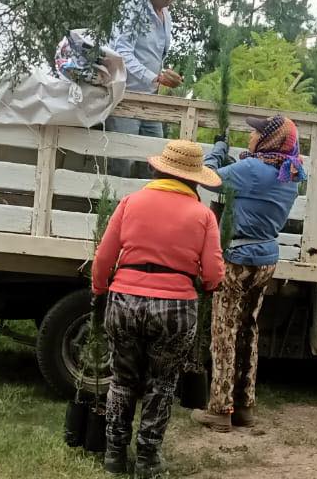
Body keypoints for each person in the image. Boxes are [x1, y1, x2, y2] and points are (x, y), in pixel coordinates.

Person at [92, 140, 225, 477]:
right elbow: (212, 274)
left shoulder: (130, 203)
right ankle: (148, 458)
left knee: (122, 380)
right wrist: (207, 286)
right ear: (195, 179)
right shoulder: (204, 216)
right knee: (162, 383)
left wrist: (99, 291)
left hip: (124, 301)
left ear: (157, 170)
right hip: (176, 309)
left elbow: (104, 257)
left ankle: (114, 455)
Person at [190, 116, 307, 432]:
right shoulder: (290, 173)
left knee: (223, 332)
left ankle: (220, 410)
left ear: (269, 140)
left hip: (238, 258)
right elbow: (250, 186)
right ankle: (245, 408)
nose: (252, 136)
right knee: (248, 330)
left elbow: (209, 177)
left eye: (256, 132)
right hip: (267, 258)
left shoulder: (253, 170)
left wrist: (218, 148)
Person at [105, 0, 184, 178]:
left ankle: (144, 211)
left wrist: (164, 76)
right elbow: (121, 53)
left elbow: (151, 55)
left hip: (150, 100)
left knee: (154, 162)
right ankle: (114, 210)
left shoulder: (166, 15)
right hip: (126, 96)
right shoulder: (133, 8)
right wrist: (155, 77)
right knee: (123, 162)